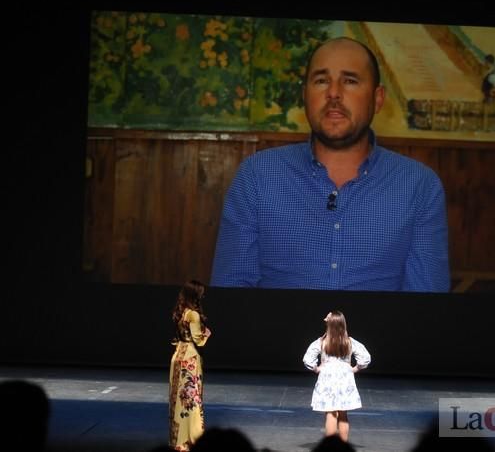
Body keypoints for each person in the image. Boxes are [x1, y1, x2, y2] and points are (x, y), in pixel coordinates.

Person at [211, 37, 450, 292]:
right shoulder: (258, 177)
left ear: (377, 99)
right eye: (321, 80)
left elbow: (425, 306)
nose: (334, 93)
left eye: (350, 81)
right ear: (305, 95)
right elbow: (230, 296)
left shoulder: (419, 186)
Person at [303, 310, 371, 442]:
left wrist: (317, 369)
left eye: (327, 319)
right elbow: (365, 358)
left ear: (330, 324)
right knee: (343, 412)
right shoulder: (349, 341)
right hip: (345, 378)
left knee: (331, 412)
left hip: (327, 377)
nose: (325, 319)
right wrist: (355, 369)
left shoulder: (322, 341)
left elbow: (307, 359)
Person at [169, 279, 212, 452]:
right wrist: (207, 333)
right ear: (195, 294)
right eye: (201, 292)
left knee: (179, 401)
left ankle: (179, 440)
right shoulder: (193, 314)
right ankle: (194, 438)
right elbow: (199, 340)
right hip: (190, 360)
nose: (203, 295)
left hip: (178, 356)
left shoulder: (181, 312)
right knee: (192, 400)